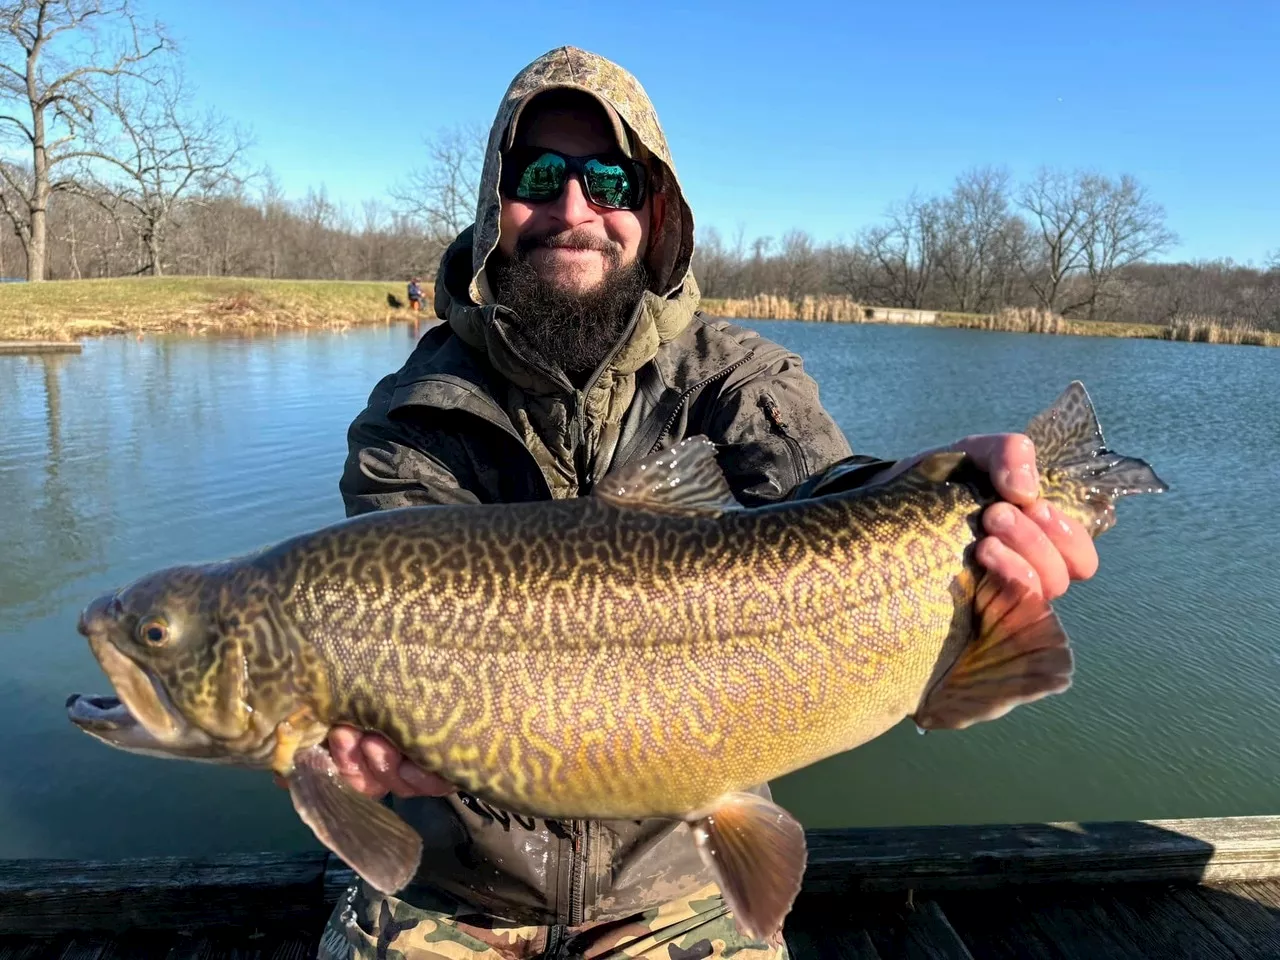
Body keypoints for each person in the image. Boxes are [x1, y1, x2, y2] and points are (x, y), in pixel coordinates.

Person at [319, 46, 1098, 960]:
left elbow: (822, 490)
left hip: (682, 877)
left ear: (654, 210)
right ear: (496, 206)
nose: (574, 209)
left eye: (608, 178)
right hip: (453, 889)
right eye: (540, 175)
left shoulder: (737, 377)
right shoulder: (411, 417)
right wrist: (351, 743)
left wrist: (950, 504)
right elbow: (370, 614)